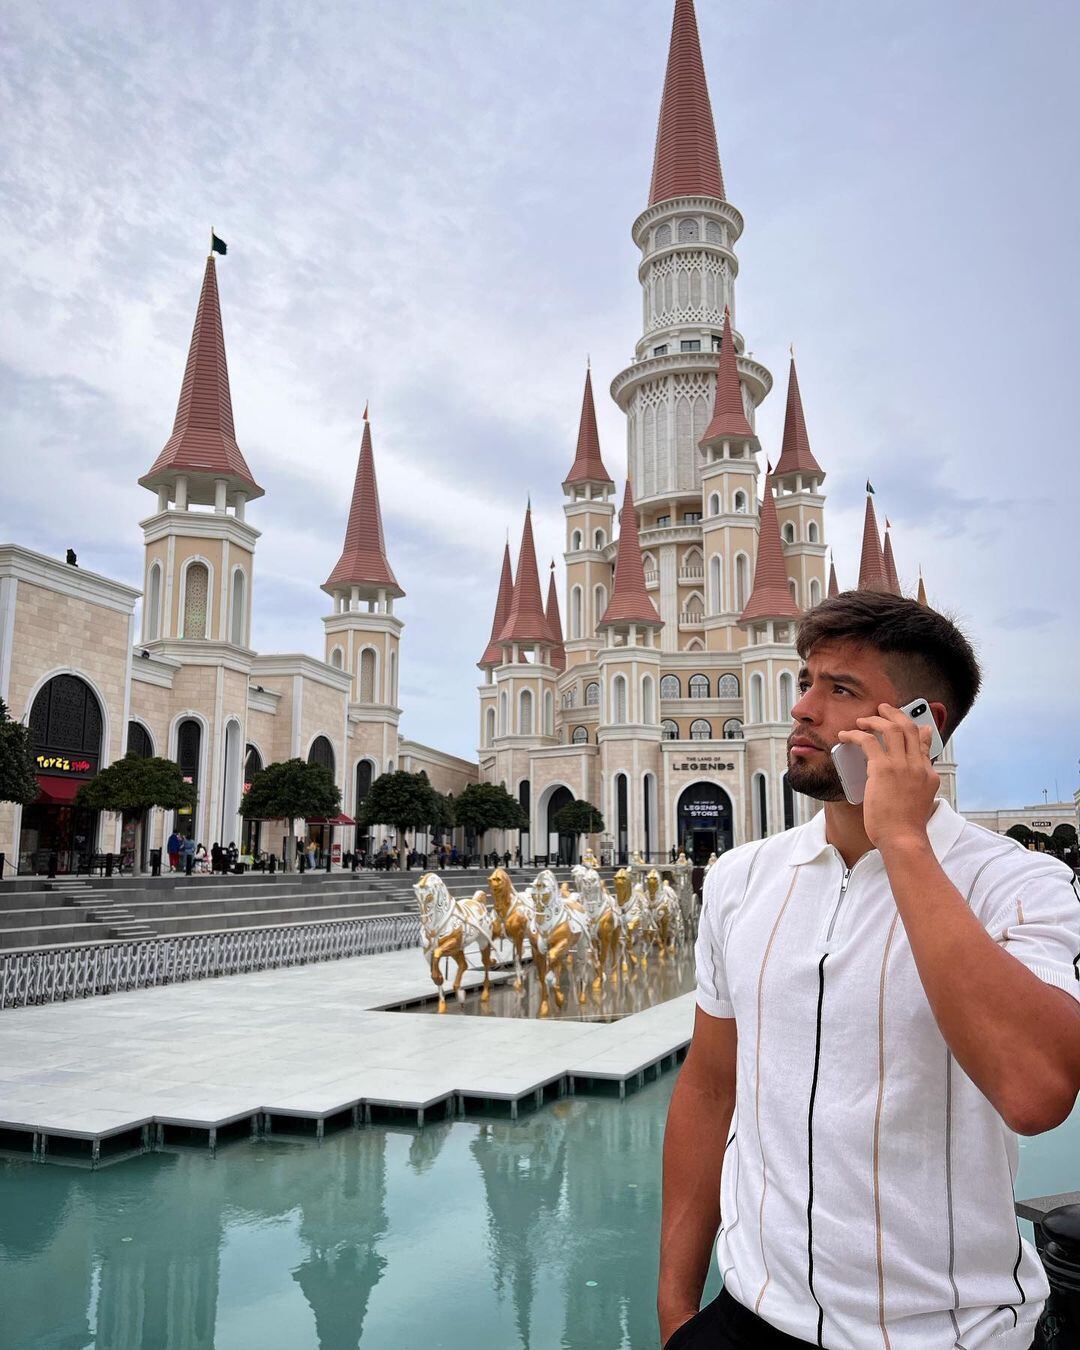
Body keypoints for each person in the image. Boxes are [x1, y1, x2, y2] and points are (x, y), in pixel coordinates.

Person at [659, 591, 1080, 1350]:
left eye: (841, 689)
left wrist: (903, 841)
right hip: (746, 1319)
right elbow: (709, 1084)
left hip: (944, 1334)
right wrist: (676, 1312)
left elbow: (1036, 1090)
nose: (802, 708)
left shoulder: (1015, 884)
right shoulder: (740, 880)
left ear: (922, 725)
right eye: (807, 679)